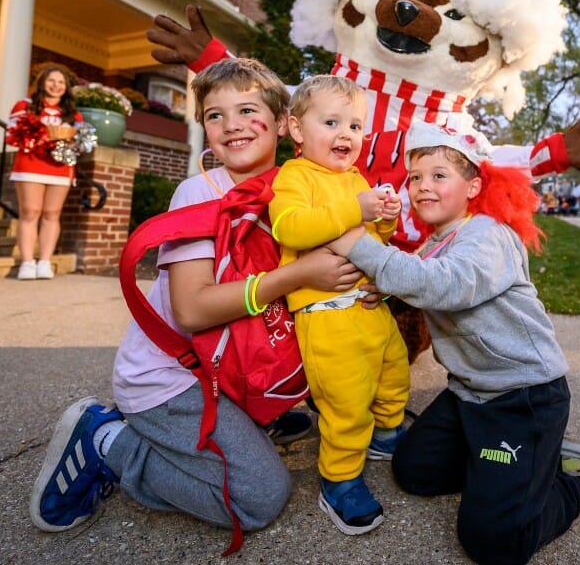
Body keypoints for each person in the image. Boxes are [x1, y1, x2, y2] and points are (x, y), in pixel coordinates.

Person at [29, 59, 365, 538]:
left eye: (247, 109)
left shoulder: (299, 188)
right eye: (214, 115)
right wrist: (294, 275)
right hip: (170, 377)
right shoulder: (200, 194)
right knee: (259, 497)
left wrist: (363, 287)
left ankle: (248, 419)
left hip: (229, 368)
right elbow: (191, 309)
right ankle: (106, 441)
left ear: (283, 122)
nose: (231, 125)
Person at [327, 121, 580, 565]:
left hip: (523, 397)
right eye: (415, 177)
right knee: (414, 472)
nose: (423, 187)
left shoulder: (487, 234)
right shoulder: (437, 241)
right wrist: (383, 287)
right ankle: (512, 470)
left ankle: (572, 479)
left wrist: (355, 242)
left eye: (439, 175)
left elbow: (447, 285)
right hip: (469, 393)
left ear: (473, 185)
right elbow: (416, 273)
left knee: (493, 542)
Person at [268, 75, 409, 535]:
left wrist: (384, 222)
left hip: (370, 307)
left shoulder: (355, 179)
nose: (346, 134)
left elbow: (366, 237)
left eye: (355, 125)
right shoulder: (295, 176)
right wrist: (358, 210)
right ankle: (340, 480)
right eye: (331, 122)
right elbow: (292, 228)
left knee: (394, 375)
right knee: (346, 404)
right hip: (327, 317)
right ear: (296, 129)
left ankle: (387, 436)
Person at [6, 64, 83, 280]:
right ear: (42, 82)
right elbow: (11, 136)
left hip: (60, 169)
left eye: (61, 82)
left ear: (66, 87)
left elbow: (80, 143)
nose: (56, 86)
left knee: (52, 214)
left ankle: (45, 261)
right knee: (30, 211)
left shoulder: (73, 115)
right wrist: (39, 138)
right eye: (51, 81)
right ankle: (27, 262)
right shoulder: (25, 106)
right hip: (30, 164)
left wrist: (75, 144)